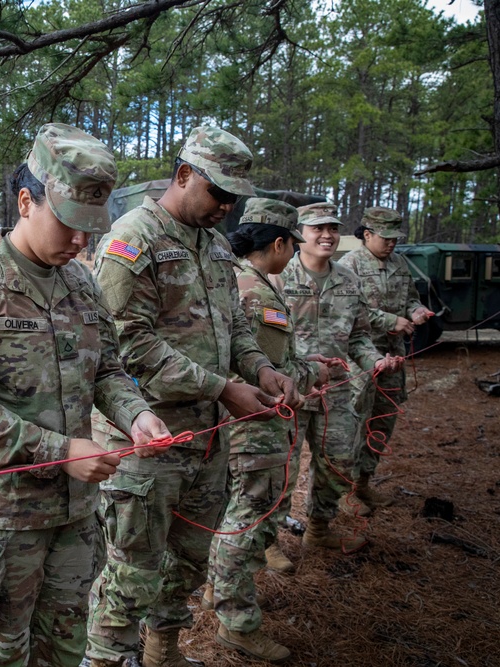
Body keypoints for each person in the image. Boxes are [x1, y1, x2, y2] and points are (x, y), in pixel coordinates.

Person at [0, 123, 171, 667]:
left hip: (73, 516)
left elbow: (106, 369)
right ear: (26, 201)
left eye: (92, 228)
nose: (82, 241)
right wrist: (59, 451)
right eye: (71, 224)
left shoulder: (81, 284)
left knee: (63, 650)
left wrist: (137, 415)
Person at [84, 126, 300, 667]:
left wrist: (261, 370)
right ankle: (106, 657)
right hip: (147, 441)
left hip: (205, 439)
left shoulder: (217, 246)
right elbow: (125, 344)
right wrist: (223, 388)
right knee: (131, 571)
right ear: (183, 175)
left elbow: (236, 330)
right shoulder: (132, 240)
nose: (226, 208)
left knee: (188, 558)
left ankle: (164, 652)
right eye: (218, 194)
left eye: (234, 199)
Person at [202, 198, 336, 663]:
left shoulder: (248, 282)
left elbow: (277, 362)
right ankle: (236, 622)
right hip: (254, 428)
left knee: (239, 515)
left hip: (253, 425)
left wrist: (307, 366)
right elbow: (261, 374)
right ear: (278, 244)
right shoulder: (253, 293)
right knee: (247, 519)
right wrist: (310, 377)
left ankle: (219, 592)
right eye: (291, 245)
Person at [273, 202, 403, 554]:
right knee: (278, 469)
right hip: (290, 391)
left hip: (336, 391)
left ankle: (318, 528)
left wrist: (375, 361)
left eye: (333, 228)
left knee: (339, 463)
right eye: (318, 228)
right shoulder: (278, 276)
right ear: (300, 234)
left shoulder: (348, 280)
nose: (327, 235)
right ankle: (266, 543)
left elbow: (359, 336)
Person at [340, 207, 433, 512]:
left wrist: (416, 311)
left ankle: (364, 483)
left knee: (383, 418)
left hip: (394, 357)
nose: (392, 243)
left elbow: (410, 298)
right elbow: (350, 311)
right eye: (386, 237)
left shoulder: (399, 263)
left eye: (395, 238)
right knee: (353, 422)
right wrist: (389, 320)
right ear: (367, 234)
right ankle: (342, 491)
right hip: (359, 359)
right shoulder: (348, 265)